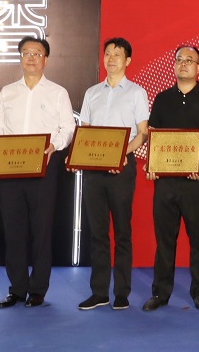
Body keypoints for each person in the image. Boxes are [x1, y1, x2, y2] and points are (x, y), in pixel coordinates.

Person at [0, 36, 75, 309]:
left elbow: (68, 128)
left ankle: (38, 290)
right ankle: (17, 289)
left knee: (41, 230)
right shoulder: (7, 91)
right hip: (9, 169)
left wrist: (54, 145)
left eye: (37, 53)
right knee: (14, 231)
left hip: (43, 167)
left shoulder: (58, 92)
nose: (31, 58)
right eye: (26, 53)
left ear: (46, 59)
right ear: (20, 58)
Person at [142, 45, 199, 312]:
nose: (184, 64)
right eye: (179, 59)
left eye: (190, 60)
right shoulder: (162, 99)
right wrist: (152, 165)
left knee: (198, 239)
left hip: (195, 179)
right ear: (174, 65)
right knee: (165, 240)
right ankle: (160, 293)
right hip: (165, 182)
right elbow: (153, 136)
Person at [76, 37, 150, 311]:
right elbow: (85, 130)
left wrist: (121, 154)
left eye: (117, 55)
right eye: (107, 53)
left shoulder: (137, 93)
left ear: (127, 60)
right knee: (97, 232)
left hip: (122, 168)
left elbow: (142, 133)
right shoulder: (92, 92)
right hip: (94, 171)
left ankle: (121, 292)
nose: (111, 59)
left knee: (121, 232)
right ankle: (99, 292)